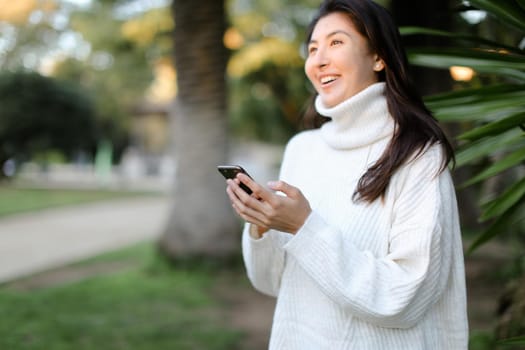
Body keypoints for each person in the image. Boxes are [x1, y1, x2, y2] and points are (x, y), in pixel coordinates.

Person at [224, 0, 468, 348]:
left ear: (378, 57)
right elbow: (273, 283)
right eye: (312, 48)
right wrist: (262, 224)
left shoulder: (418, 154)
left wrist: (303, 227)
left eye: (336, 42)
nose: (319, 59)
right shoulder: (302, 148)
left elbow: (406, 297)